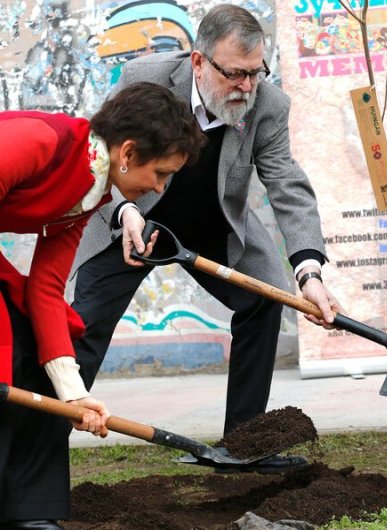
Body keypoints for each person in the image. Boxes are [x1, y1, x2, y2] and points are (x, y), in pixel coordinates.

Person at [72, 4, 343, 475]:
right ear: (199, 62)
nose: (246, 87)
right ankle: (36, 450)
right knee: (83, 326)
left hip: (216, 225)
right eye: (235, 74)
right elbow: (102, 152)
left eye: (255, 73)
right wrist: (126, 210)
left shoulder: (268, 104)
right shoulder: (148, 76)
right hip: (137, 217)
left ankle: (243, 446)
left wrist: (310, 269)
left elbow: (287, 184)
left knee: (264, 298)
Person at [0, 82, 204, 530]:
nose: (159, 188)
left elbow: (47, 290)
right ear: (128, 153)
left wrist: (75, 396)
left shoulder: (87, 193)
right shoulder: (38, 142)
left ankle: (30, 514)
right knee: (3, 349)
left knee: (38, 353)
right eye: (161, 174)